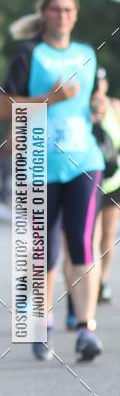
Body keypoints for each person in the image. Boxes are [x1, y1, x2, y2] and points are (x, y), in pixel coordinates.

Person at [0, 0, 104, 362]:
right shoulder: (29, 54)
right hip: (38, 163)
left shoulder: (87, 54)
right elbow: (4, 108)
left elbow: (92, 100)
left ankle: (86, 329)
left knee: (82, 241)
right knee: (43, 251)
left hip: (84, 161)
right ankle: (43, 322)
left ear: (76, 15)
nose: (62, 16)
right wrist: (50, 99)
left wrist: (99, 105)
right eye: (56, 9)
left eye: (68, 10)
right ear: (44, 13)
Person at [91, 69, 120, 303]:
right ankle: (89, 281)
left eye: (102, 82)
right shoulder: (83, 109)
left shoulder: (116, 108)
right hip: (89, 181)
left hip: (113, 181)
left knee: (108, 234)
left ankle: (103, 280)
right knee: (92, 234)